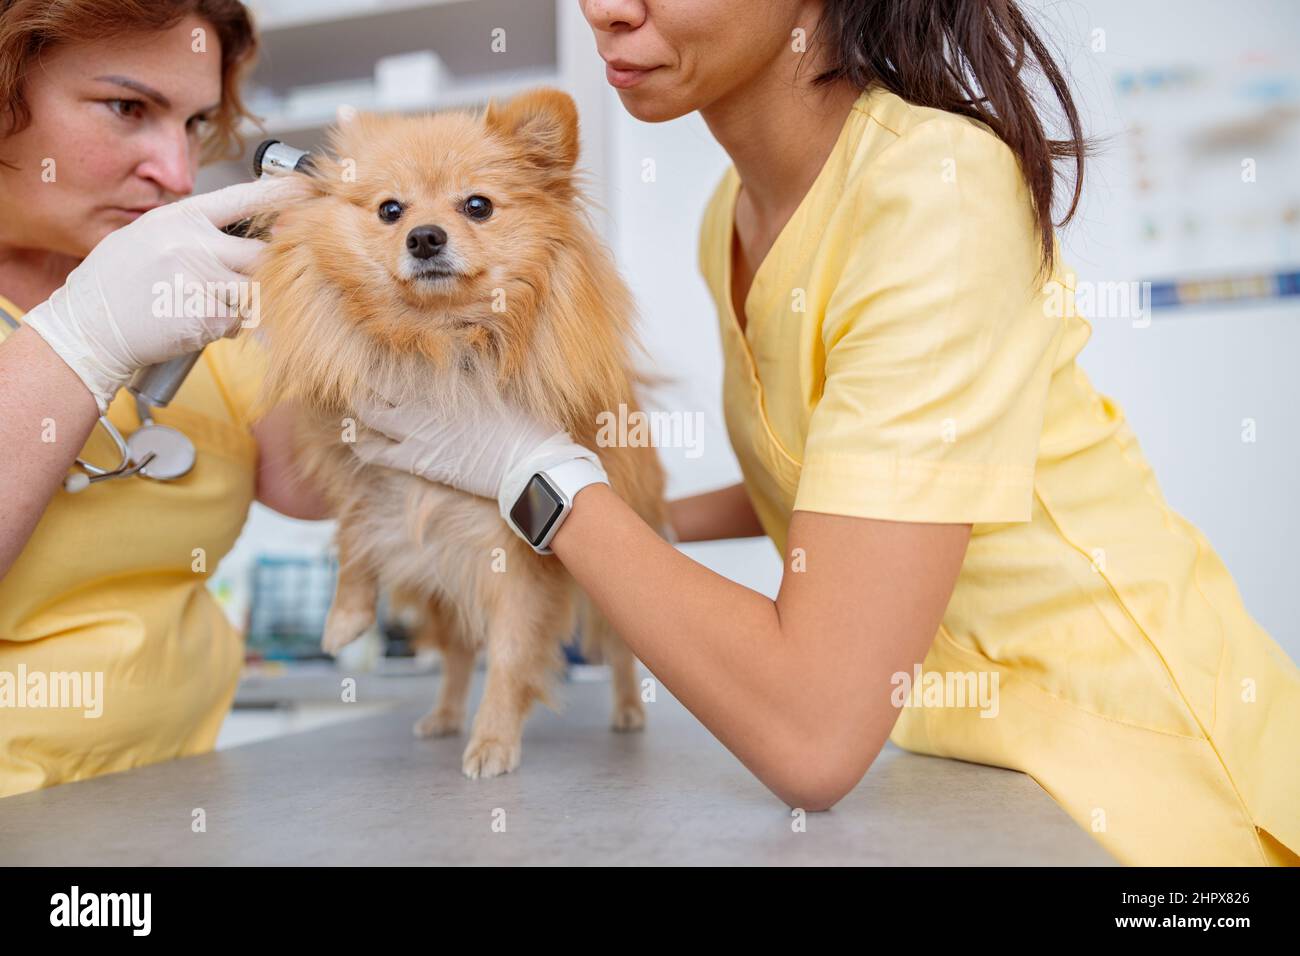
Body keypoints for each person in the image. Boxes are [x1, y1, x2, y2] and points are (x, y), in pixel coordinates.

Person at [345, 0, 1300, 866]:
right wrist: (624, 507)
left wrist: (533, 477)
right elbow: (825, 484)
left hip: (1148, 786)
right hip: (968, 775)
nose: (606, 9)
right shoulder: (735, 212)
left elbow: (812, 737)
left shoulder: (935, 189)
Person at [0, 0, 329, 798]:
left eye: (192, 124)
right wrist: (82, 337)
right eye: (128, 108)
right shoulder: (123, 303)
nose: (176, 174)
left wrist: (324, 309)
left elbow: (310, 487)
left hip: (177, 810)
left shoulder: (176, 305)